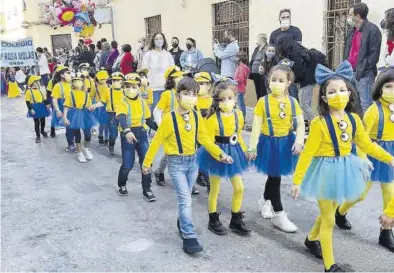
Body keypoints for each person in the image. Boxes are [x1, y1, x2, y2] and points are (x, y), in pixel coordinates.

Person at [291, 61, 394, 272]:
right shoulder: (319, 124)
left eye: (342, 90)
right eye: (332, 91)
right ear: (324, 98)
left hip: (345, 170)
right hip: (324, 172)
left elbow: (367, 145)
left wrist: (388, 158)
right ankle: (330, 265)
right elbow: (307, 154)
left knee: (327, 211)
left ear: (349, 93)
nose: (338, 94)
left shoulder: (355, 119)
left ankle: (311, 239)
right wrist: (297, 181)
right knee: (328, 219)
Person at [141, 76, 232, 254]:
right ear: (177, 96)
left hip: (193, 162)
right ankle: (189, 237)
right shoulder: (169, 119)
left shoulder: (197, 116)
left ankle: (182, 223)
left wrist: (220, 154)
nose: (191, 97)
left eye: (194, 94)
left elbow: (204, 138)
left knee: (186, 200)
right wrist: (147, 163)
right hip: (176, 164)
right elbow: (157, 141)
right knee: (185, 200)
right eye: (186, 93)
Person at [335, 68, 394, 253]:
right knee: (360, 193)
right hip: (372, 153)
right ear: (379, 88)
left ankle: (386, 232)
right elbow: (361, 139)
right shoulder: (373, 111)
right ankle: (340, 212)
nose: (392, 91)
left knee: (389, 194)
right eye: (388, 86)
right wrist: (362, 160)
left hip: (389, 155)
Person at [248, 63, 305, 233]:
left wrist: (299, 141)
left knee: (274, 176)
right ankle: (278, 214)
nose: (276, 83)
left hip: (286, 142)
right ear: (268, 81)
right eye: (273, 79)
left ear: (288, 83)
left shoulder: (293, 102)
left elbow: (300, 123)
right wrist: (252, 147)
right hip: (269, 144)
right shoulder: (262, 102)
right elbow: (256, 126)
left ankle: (265, 200)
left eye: (281, 80)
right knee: (275, 177)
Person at [197, 78, 251, 236]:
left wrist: (245, 150)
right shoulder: (212, 118)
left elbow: (238, 135)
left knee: (239, 188)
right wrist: (219, 154)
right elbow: (204, 139)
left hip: (233, 153)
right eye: (223, 99)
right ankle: (213, 219)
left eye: (230, 98)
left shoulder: (238, 115)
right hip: (216, 154)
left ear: (235, 98)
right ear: (217, 100)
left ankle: (235, 219)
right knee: (215, 189)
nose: (227, 102)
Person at [116, 73, 158, 201]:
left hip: (142, 133)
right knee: (127, 164)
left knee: (146, 163)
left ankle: (147, 189)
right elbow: (122, 118)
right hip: (128, 134)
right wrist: (127, 131)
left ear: (139, 87)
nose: (130, 89)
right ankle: (121, 185)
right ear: (123, 88)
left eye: (134, 86)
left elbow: (149, 120)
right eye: (127, 86)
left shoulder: (142, 103)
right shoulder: (122, 102)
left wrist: (161, 129)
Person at [345, 2, 382, 114]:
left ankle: (368, 131)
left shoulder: (372, 30)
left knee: (366, 105)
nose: (349, 17)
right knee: (354, 105)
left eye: (351, 14)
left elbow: (373, 56)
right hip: (351, 72)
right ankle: (359, 129)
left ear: (357, 16)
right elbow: (348, 52)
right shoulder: (352, 31)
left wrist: (362, 69)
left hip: (364, 75)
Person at [152, 66, 184, 187]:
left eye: (181, 76)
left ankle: (183, 178)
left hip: (182, 127)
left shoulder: (184, 93)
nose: (181, 79)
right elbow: (157, 110)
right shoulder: (167, 94)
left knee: (183, 152)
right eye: (177, 77)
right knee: (169, 153)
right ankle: (159, 171)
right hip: (170, 127)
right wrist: (161, 126)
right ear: (171, 80)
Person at [63, 72, 96, 163]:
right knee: (77, 134)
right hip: (74, 114)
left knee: (88, 135)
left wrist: (91, 109)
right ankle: (79, 152)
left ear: (82, 83)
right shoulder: (70, 94)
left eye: (80, 81)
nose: (78, 83)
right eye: (75, 81)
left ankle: (86, 149)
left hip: (85, 114)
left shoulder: (86, 94)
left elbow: (89, 106)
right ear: (73, 84)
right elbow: (66, 106)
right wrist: (65, 118)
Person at [91, 72, 125, 155]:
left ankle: (125, 151)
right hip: (112, 115)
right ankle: (111, 145)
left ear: (122, 81)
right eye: (114, 80)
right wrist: (94, 105)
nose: (115, 82)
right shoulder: (108, 91)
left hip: (124, 115)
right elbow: (102, 102)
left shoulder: (126, 91)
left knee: (124, 134)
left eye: (118, 80)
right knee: (113, 134)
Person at [142, 32, 175, 111]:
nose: (159, 40)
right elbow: (144, 70)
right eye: (156, 39)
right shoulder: (148, 54)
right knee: (154, 110)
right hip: (153, 88)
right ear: (153, 41)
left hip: (166, 88)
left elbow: (172, 71)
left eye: (161, 38)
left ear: (164, 40)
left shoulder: (168, 55)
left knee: (166, 110)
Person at [194, 72, 213, 190]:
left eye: (202, 83)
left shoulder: (213, 101)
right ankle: (209, 183)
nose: (199, 86)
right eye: (198, 84)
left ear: (209, 85)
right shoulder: (192, 100)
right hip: (197, 134)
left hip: (211, 134)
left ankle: (201, 174)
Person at [25, 75, 50, 143]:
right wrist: (31, 109)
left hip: (41, 106)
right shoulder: (28, 91)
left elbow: (43, 98)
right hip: (34, 107)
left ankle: (42, 131)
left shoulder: (39, 90)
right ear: (33, 83)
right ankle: (37, 136)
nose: (39, 82)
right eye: (37, 81)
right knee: (36, 122)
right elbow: (27, 102)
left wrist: (47, 104)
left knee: (43, 121)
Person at [91, 70, 110, 145]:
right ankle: (101, 135)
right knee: (102, 124)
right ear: (97, 78)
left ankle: (106, 138)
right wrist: (90, 105)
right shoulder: (94, 86)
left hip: (107, 107)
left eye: (104, 79)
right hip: (99, 107)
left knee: (107, 124)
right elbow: (91, 96)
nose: (103, 80)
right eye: (101, 79)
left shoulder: (109, 86)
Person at [250, 34, 268, 99]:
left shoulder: (267, 48)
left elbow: (266, 59)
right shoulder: (257, 48)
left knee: (263, 90)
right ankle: (259, 104)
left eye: (257, 39)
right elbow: (252, 59)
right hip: (255, 72)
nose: (256, 41)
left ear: (261, 39)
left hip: (263, 72)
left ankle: (264, 105)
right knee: (257, 90)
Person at [234, 51, 250, 119]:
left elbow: (240, 79)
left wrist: (233, 81)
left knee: (240, 105)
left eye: (236, 57)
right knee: (240, 104)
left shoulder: (242, 67)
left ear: (239, 58)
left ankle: (242, 119)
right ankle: (241, 118)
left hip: (239, 88)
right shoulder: (243, 67)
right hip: (240, 88)